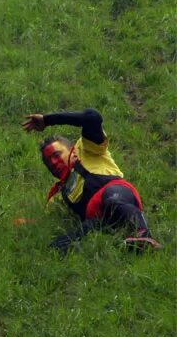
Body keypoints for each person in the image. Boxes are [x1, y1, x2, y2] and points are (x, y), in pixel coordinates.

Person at [21, 108, 160, 253]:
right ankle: (126, 247)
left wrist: (48, 120)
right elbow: (48, 222)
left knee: (112, 197)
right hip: (97, 221)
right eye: (49, 163)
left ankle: (142, 233)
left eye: (56, 155)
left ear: (73, 150)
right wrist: (26, 224)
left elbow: (92, 117)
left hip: (117, 195)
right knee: (59, 246)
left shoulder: (89, 150)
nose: (54, 163)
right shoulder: (59, 196)